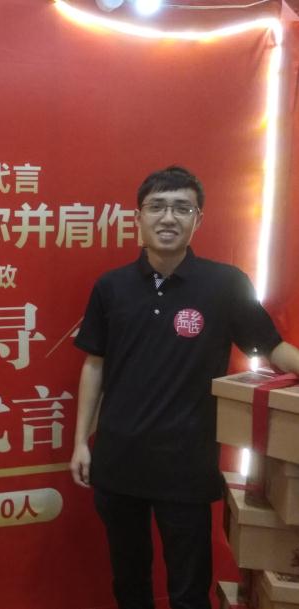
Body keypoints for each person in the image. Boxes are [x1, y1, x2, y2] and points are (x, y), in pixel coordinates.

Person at [69, 166, 299, 609]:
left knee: (190, 591)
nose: (168, 217)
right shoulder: (111, 287)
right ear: (138, 217)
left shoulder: (225, 284)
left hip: (186, 465)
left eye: (182, 208)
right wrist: (81, 441)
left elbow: (271, 347)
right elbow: (94, 366)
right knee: (129, 583)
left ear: (199, 219)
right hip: (118, 462)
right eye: (157, 206)